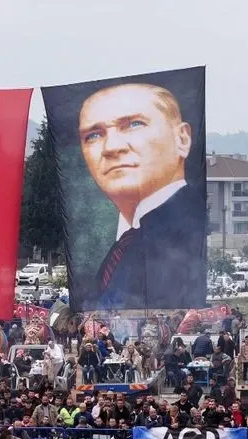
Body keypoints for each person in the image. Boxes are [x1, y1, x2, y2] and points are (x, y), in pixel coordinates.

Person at [75, 81, 206, 310]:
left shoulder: (195, 232)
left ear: (182, 139)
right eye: (93, 135)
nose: (111, 147)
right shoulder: (116, 244)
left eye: (134, 124)